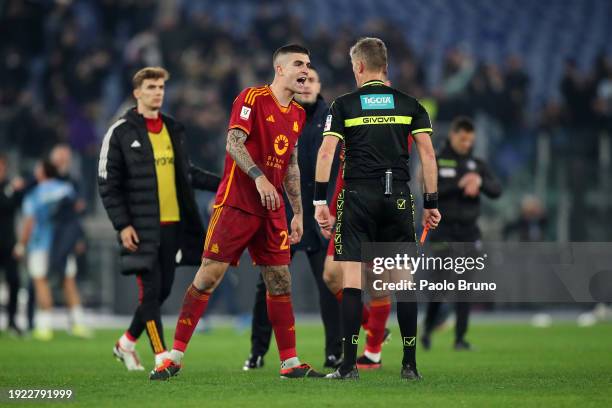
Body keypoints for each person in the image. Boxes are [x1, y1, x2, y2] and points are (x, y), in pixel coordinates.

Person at [154, 44, 324, 381]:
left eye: (308, 64)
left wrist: (299, 213)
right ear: (279, 69)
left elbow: (290, 164)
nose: (305, 69)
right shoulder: (252, 98)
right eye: (298, 64)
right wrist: (259, 178)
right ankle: (172, 357)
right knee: (209, 276)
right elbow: (233, 142)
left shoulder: (298, 114)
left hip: (272, 208)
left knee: (280, 279)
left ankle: (289, 362)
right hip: (236, 203)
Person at [314, 37, 441, 380]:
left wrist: (318, 201)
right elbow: (428, 156)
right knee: (402, 284)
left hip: (357, 197)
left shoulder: (343, 105)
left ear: (358, 66)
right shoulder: (410, 104)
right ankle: (410, 365)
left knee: (353, 284)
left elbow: (326, 154)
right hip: (398, 198)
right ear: (386, 66)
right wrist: (431, 203)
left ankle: (348, 365)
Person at [98, 67, 221, 374]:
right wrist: (122, 224)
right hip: (140, 227)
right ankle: (161, 355)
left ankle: (125, 343)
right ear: (137, 92)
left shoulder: (172, 128)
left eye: (161, 87)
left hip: (174, 226)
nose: (157, 92)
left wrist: (226, 183)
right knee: (150, 293)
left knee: (162, 291)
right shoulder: (121, 132)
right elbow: (107, 183)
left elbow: (187, 174)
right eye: (151, 87)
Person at [243, 66, 343, 371]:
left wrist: (333, 209)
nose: (307, 85)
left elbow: (340, 167)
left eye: (312, 79)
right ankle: (258, 352)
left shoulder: (334, 117)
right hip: (282, 213)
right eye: (303, 80)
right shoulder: (282, 114)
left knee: (328, 282)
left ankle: (334, 352)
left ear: (319, 84)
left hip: (321, 214)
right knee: (269, 284)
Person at [421, 116, 501, 351]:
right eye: (463, 139)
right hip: (442, 231)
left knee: (465, 286)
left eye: (470, 140)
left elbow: (497, 190)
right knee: (440, 286)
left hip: (468, 232)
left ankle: (460, 338)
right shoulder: (437, 160)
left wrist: (479, 182)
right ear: (453, 135)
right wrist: (460, 183)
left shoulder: (477, 165)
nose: (467, 144)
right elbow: (428, 189)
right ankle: (427, 330)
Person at [14, 160, 90, 341]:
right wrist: (78, 239)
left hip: (40, 243)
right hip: (63, 243)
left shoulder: (34, 193)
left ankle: (45, 326)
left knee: (41, 282)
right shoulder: (66, 189)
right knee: (68, 281)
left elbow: (30, 222)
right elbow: (76, 215)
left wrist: (21, 244)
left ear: (41, 173)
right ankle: (78, 324)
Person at [0, 154, 25, 337]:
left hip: (8, 242)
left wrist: (19, 191)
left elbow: (20, 206)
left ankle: (11, 321)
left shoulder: (11, 187)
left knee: (14, 281)